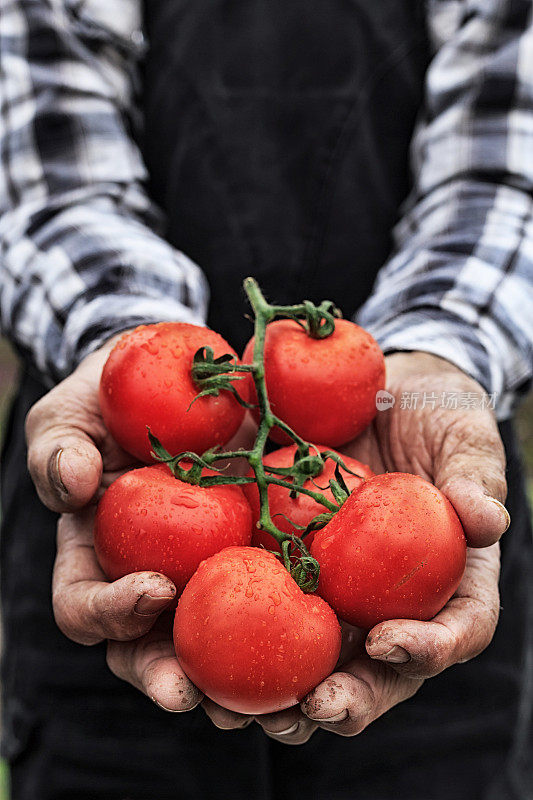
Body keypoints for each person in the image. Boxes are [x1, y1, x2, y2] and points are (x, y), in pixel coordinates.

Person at [1, 0, 532, 797]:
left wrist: (438, 355)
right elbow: (47, 161)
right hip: (115, 465)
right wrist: (124, 338)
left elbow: (508, 158)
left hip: (409, 447)